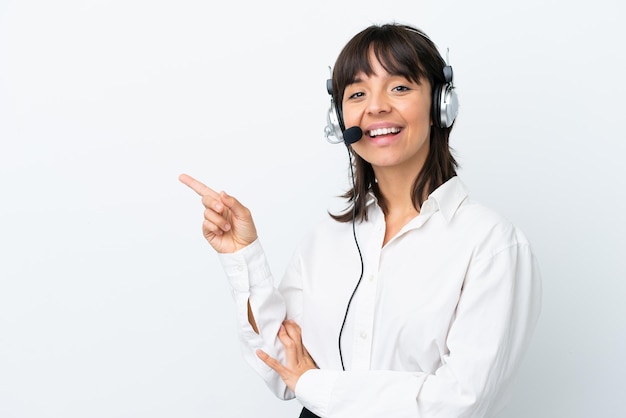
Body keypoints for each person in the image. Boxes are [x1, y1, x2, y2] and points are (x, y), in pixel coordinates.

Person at [179, 22, 542, 418]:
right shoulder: (323, 241)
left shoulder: (492, 244)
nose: (376, 106)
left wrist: (317, 385)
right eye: (357, 93)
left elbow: (461, 402)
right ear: (340, 119)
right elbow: (284, 372)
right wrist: (243, 255)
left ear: (441, 103)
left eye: (399, 87)